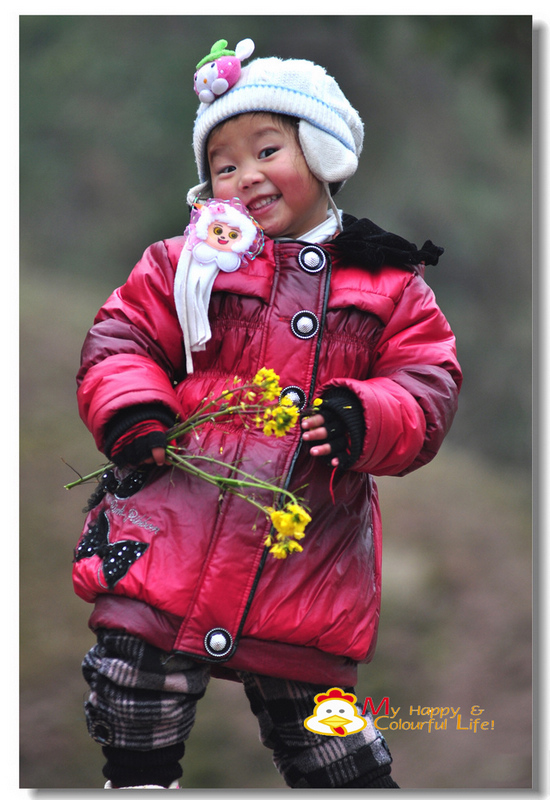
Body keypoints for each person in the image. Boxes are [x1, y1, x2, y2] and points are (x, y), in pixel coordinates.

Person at [73, 37, 462, 790]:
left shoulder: (391, 286)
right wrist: (134, 410)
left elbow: (428, 384)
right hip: (168, 540)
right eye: (223, 165)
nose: (245, 175)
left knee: (331, 746)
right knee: (130, 694)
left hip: (305, 564)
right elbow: (119, 338)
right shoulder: (183, 265)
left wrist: (364, 415)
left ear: (320, 153)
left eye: (267, 150)